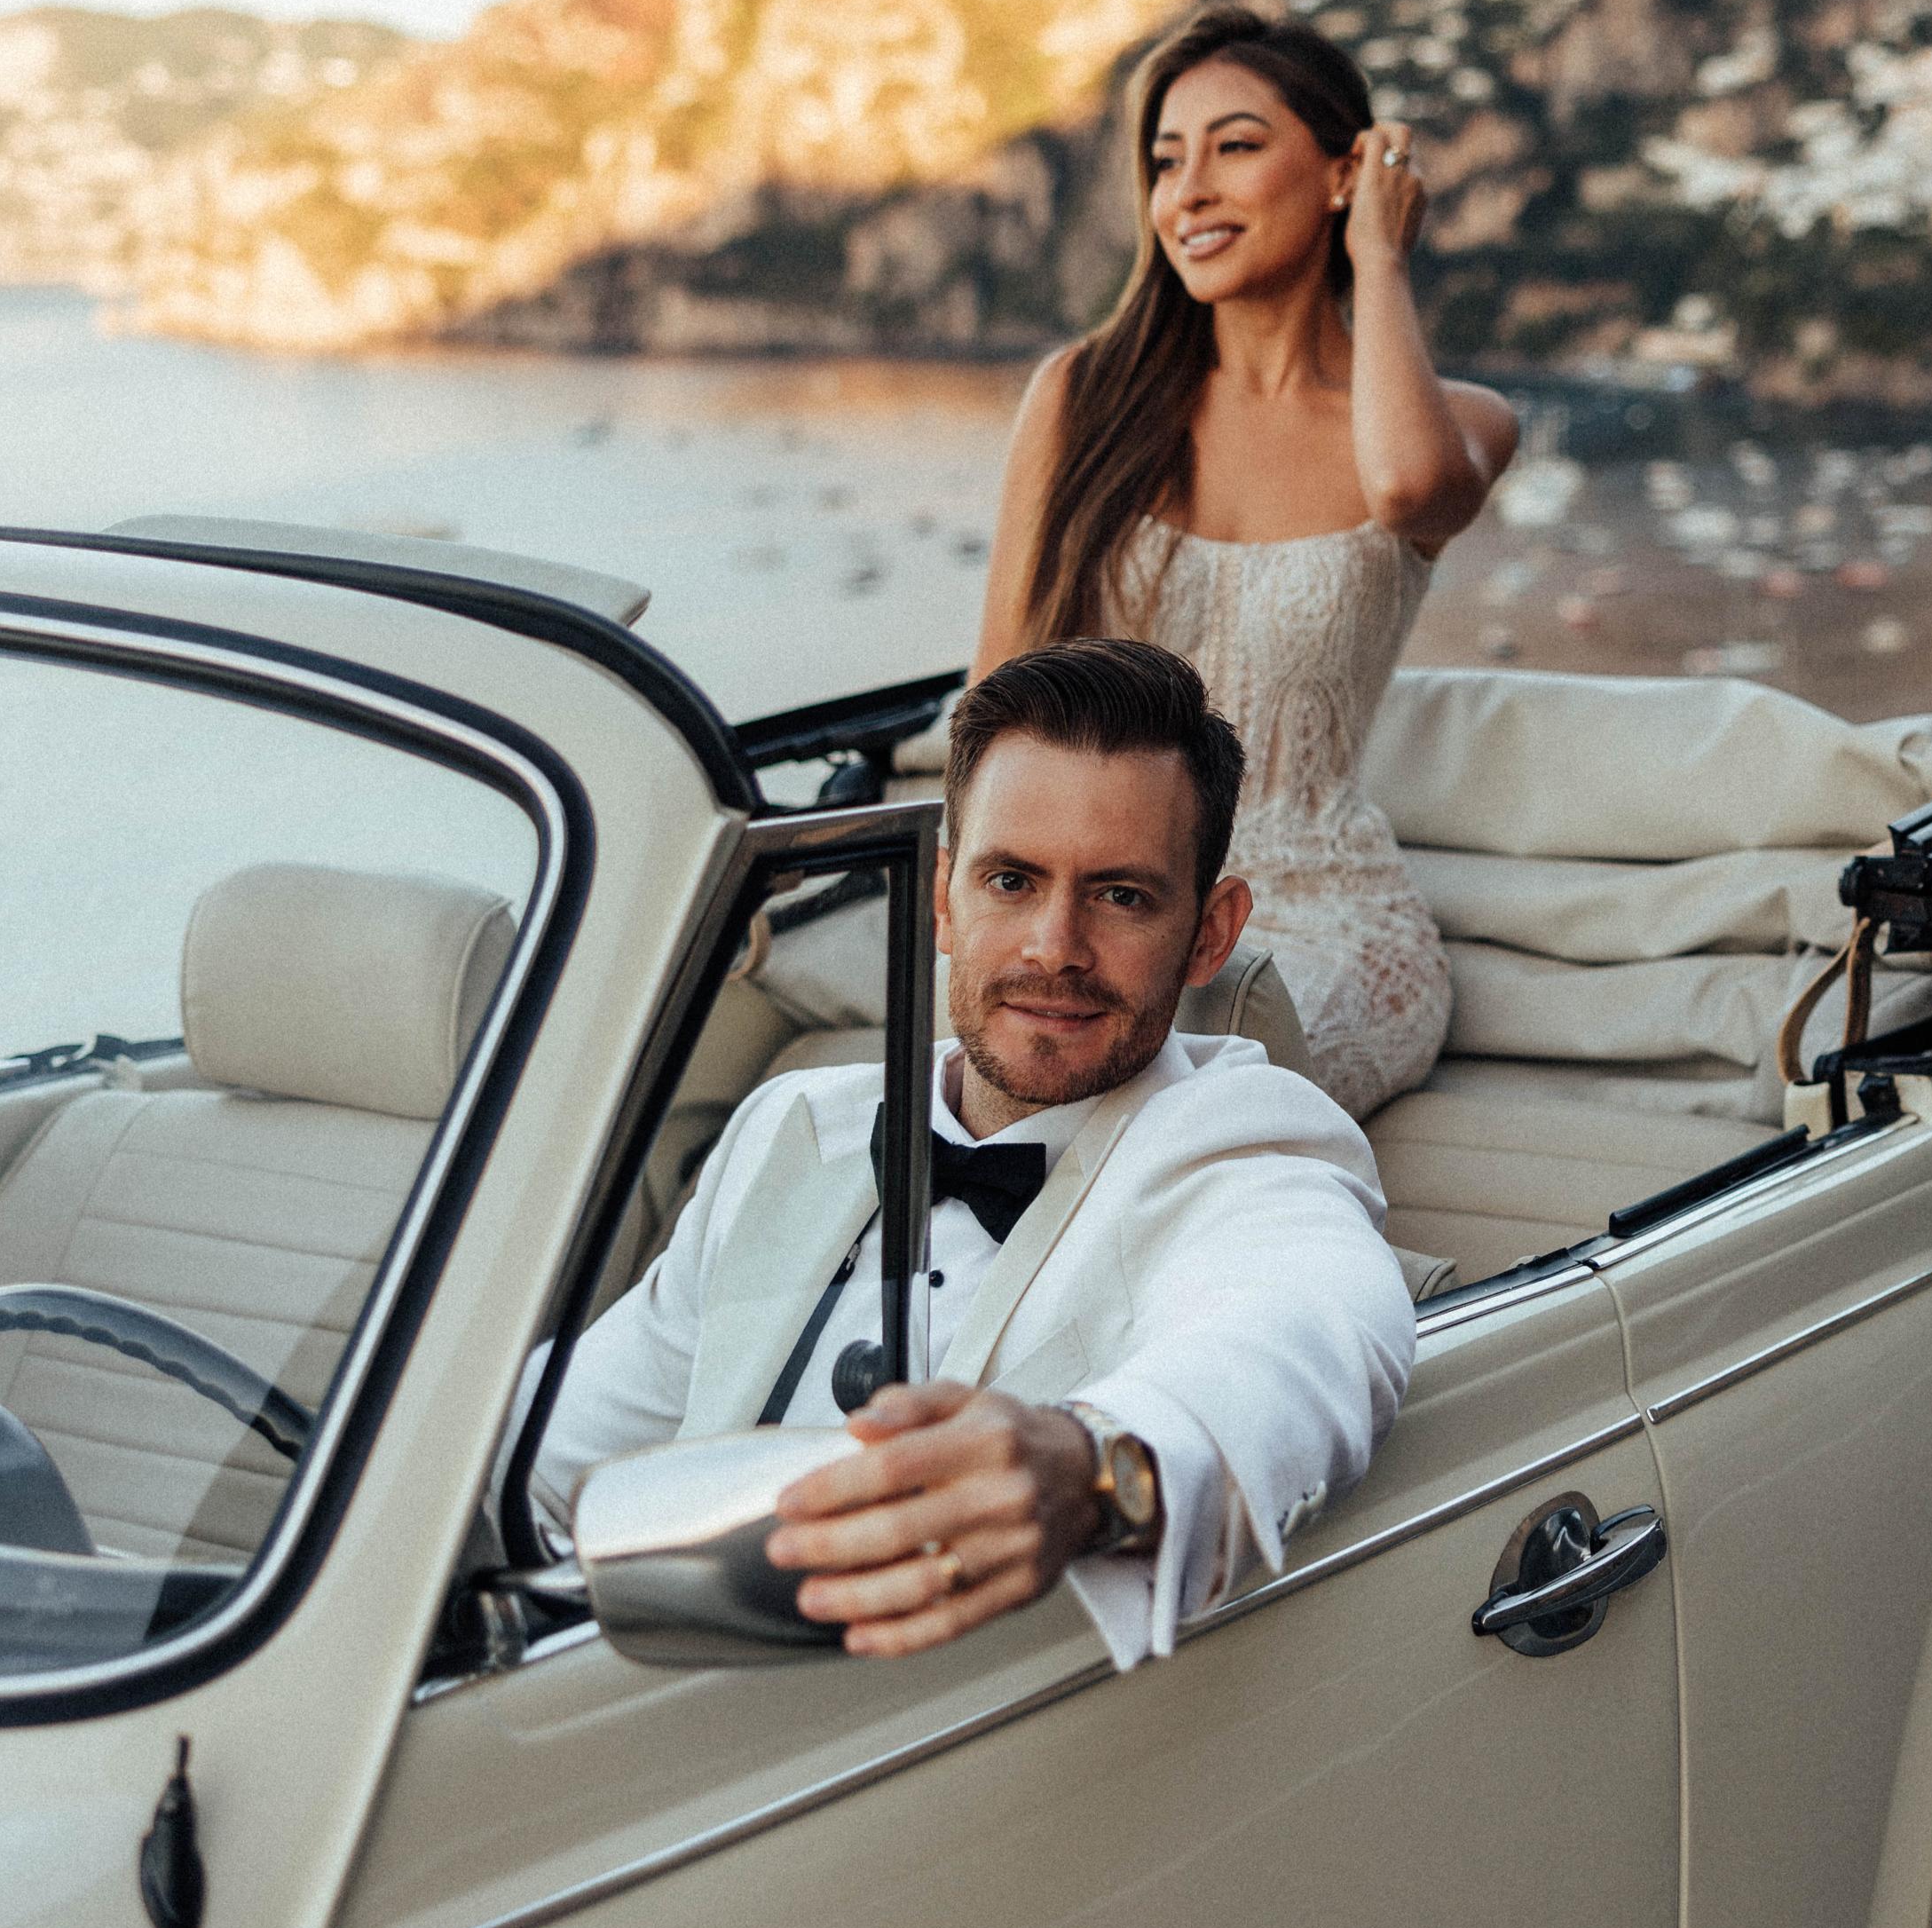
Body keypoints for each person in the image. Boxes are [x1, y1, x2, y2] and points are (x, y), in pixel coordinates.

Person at [524, 638, 1416, 1668]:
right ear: (944, 898)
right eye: (1012, 880)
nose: (1054, 946)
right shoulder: (791, 1123)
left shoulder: (1244, 1143)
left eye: (1121, 895)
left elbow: (1316, 1327)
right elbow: (552, 1454)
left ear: (1210, 935)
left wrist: (1095, 1468)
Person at [974, 3, 1518, 1121]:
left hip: (1326, 918)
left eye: (1234, 146)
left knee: (1178, 1070)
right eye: (1167, 161)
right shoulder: (1081, 399)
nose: (1190, 191)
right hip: (1096, 908)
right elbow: (996, 703)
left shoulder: (1459, 422)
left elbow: (1411, 489)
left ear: (1345, 173)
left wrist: (1380, 256)